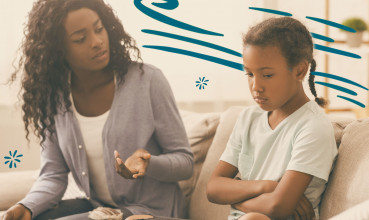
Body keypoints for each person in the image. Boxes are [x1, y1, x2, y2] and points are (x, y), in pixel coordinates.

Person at [2, 0, 193, 219]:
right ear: (58, 50)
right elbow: (53, 174)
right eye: (80, 39)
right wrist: (26, 206)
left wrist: (149, 163)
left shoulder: (147, 81)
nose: (97, 42)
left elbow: (185, 163)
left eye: (99, 29)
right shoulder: (55, 98)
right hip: (99, 207)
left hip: (150, 211)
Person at [206, 17, 338, 220]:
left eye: (267, 75)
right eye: (249, 74)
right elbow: (213, 188)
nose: (255, 86)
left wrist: (234, 198)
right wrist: (267, 186)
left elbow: (279, 207)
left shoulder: (313, 127)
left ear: (300, 70)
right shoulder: (248, 118)